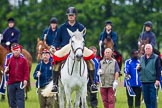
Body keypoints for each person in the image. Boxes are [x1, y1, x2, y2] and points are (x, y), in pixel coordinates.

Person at [51, 6, 98, 93]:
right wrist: (53, 47)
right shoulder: (62, 27)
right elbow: (57, 40)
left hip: (78, 48)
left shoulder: (81, 27)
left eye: (72, 15)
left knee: (91, 62)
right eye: (69, 15)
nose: (70, 16)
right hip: (65, 48)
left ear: (75, 15)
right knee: (56, 63)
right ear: (67, 16)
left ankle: (92, 84)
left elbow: (83, 40)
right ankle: (55, 85)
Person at [3, 43, 29, 108]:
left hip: (20, 82)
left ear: (20, 51)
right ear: (12, 51)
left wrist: (25, 79)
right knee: (12, 100)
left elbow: (26, 71)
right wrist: (6, 70)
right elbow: (7, 71)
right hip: (11, 83)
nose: (16, 52)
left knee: (20, 100)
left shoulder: (24, 60)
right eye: (15, 50)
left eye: (18, 50)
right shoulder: (9, 60)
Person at [137, 44, 161, 108]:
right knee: (146, 99)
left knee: (153, 99)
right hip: (144, 81)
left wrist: (157, 80)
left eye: (149, 48)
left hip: (152, 82)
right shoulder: (142, 58)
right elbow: (141, 67)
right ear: (144, 50)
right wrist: (138, 68)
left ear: (152, 49)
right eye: (146, 48)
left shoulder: (156, 57)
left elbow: (158, 69)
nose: (147, 50)